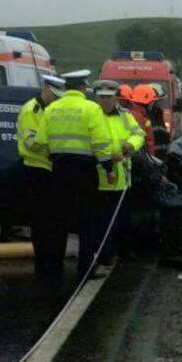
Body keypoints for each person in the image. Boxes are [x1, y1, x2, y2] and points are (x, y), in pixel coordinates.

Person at [36, 70, 114, 277]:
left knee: (58, 221)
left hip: (59, 172)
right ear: (82, 88)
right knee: (87, 222)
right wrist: (108, 168)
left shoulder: (51, 109)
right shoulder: (91, 108)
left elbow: (41, 142)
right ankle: (85, 268)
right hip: (85, 173)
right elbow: (101, 143)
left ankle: (55, 268)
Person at [92, 80, 145, 265]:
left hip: (123, 177)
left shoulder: (125, 116)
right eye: (102, 97)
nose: (106, 100)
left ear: (116, 97)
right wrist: (108, 155)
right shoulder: (92, 115)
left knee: (123, 217)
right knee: (103, 220)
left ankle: (124, 251)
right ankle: (105, 254)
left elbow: (139, 134)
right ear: (96, 97)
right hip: (100, 177)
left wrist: (131, 145)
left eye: (109, 96)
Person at [16, 74, 64, 275]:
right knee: (41, 222)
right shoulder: (32, 110)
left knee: (54, 220)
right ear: (45, 90)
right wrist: (56, 148)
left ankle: (52, 261)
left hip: (50, 170)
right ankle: (42, 262)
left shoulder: (51, 109)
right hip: (36, 170)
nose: (56, 98)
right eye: (54, 94)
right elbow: (31, 143)